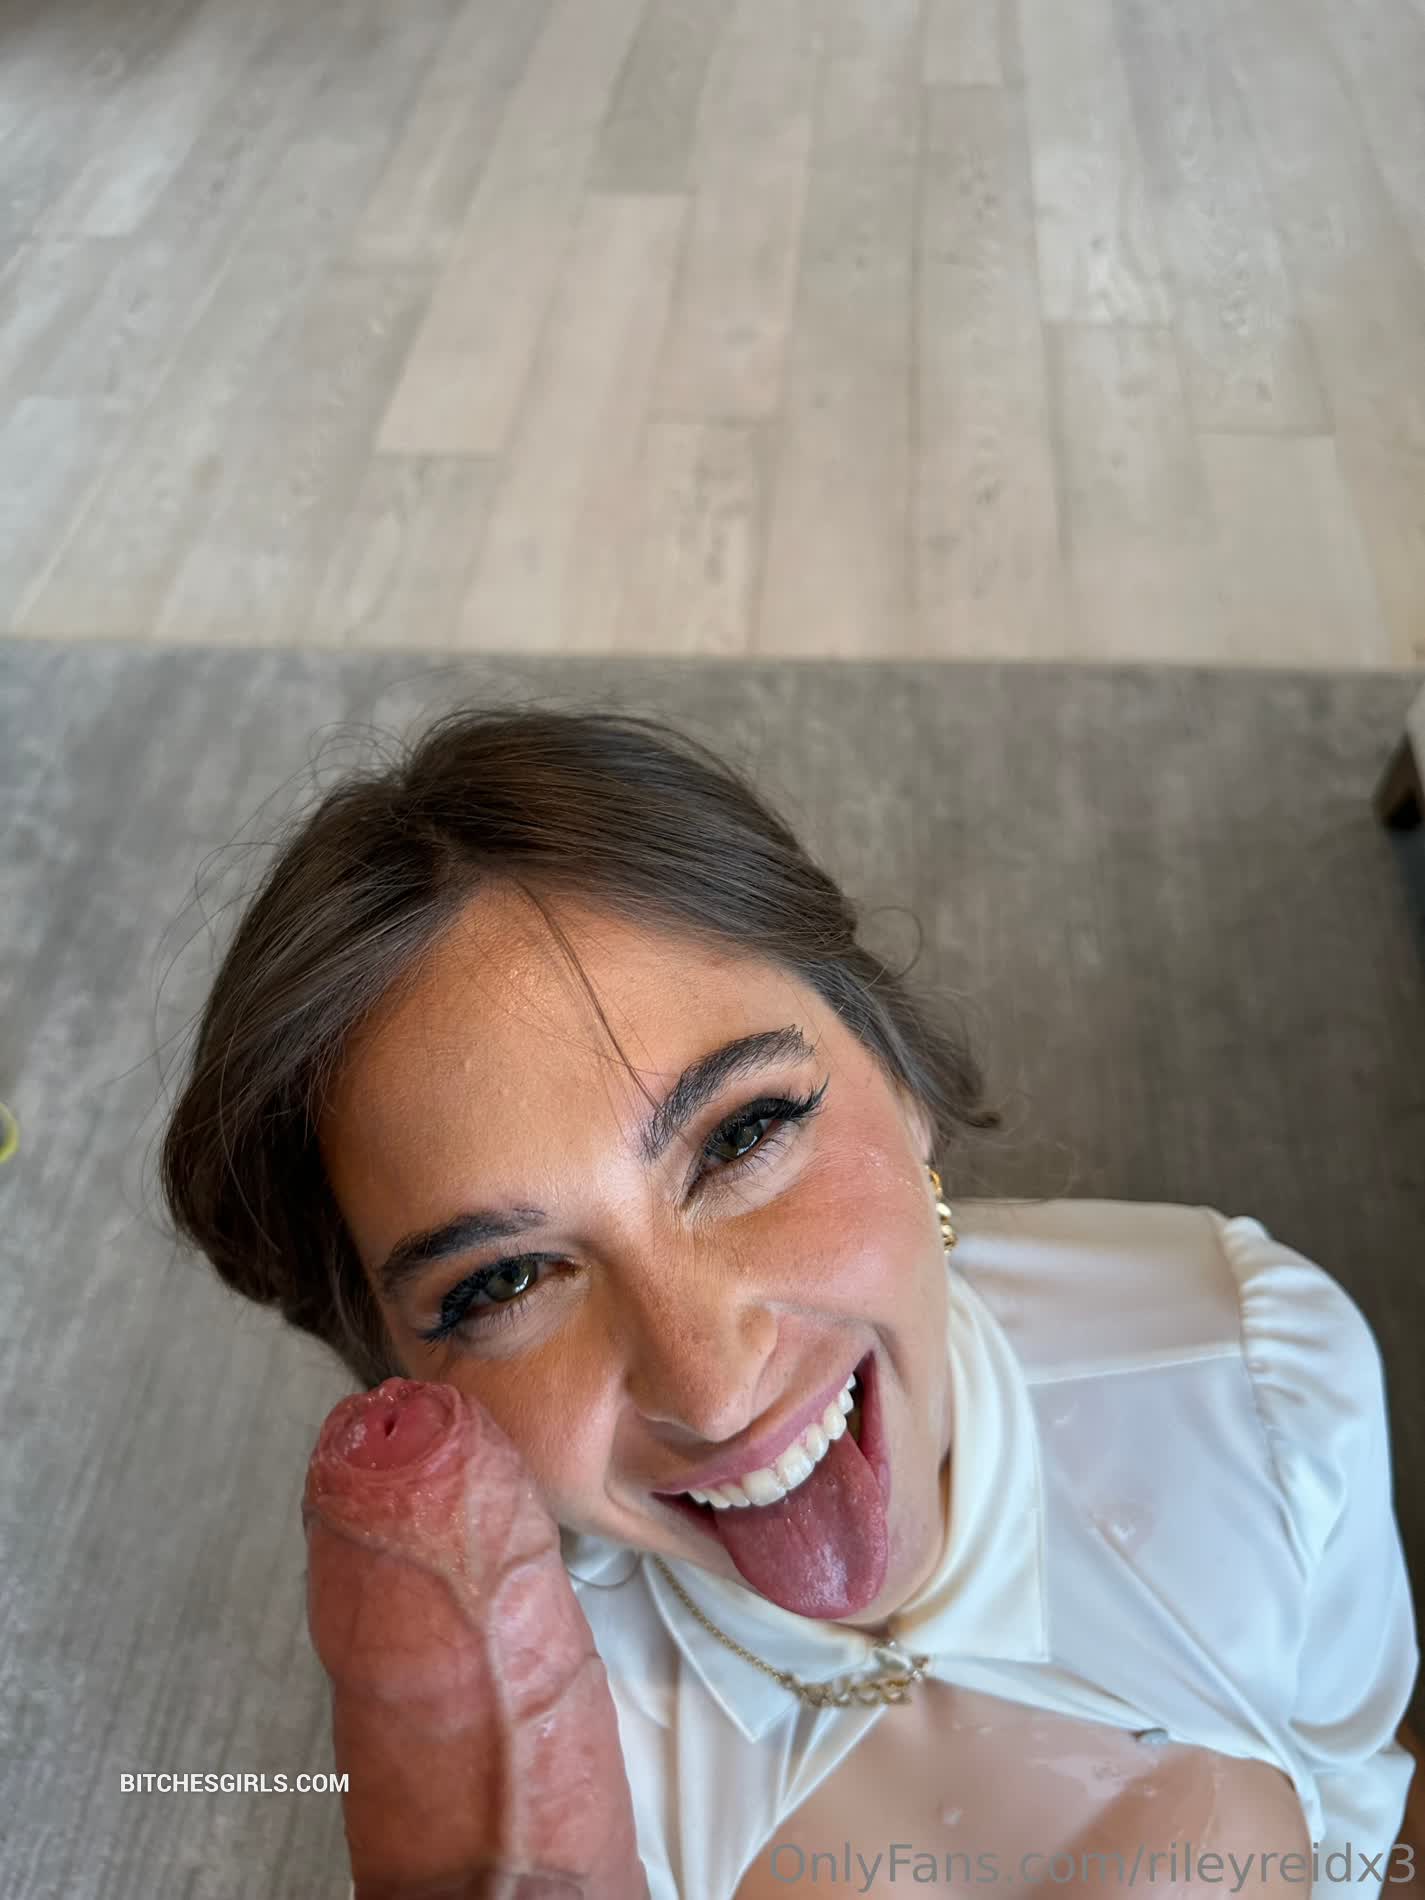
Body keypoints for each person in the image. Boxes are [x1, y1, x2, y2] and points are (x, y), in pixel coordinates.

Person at [159, 704, 1418, 1898]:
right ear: (396, 1360)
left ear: (899, 1070)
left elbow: (1364, 1782)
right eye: (505, 1280)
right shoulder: (511, 1733)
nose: (712, 1389)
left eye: (740, 1134)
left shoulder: (1255, 1374)